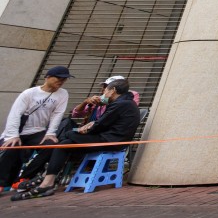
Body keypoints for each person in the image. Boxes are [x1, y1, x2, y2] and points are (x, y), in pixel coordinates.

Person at [12, 78, 140, 201]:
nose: (104, 92)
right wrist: (90, 124)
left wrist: (86, 128)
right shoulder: (125, 103)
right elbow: (99, 123)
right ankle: (48, 180)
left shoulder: (120, 104)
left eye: (106, 90)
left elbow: (99, 125)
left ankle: (47, 179)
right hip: (109, 138)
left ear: (113, 90)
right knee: (65, 143)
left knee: (67, 136)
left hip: (110, 141)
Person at [0, 66, 72, 191]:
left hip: (38, 131)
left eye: (64, 79)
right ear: (48, 77)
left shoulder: (63, 94)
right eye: (58, 78)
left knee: (52, 147)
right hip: (19, 131)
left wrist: (50, 133)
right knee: (11, 149)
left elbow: (57, 114)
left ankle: (25, 177)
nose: (61, 81)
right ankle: (1, 183)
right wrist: (12, 135)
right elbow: (15, 113)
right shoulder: (29, 93)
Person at [70, 75, 140, 124]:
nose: (103, 90)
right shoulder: (99, 99)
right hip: (92, 131)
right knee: (69, 128)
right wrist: (85, 102)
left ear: (114, 90)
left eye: (107, 87)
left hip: (106, 134)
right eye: (104, 87)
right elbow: (75, 114)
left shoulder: (129, 98)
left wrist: (108, 102)